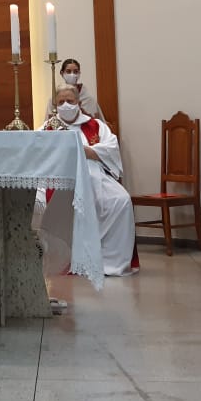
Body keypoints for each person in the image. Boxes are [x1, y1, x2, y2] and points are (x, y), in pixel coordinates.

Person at [40, 84, 136, 276]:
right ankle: (70, 260)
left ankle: (111, 261)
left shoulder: (95, 125)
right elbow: (39, 151)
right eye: (61, 102)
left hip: (95, 173)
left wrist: (86, 151)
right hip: (62, 176)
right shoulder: (48, 127)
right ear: (55, 105)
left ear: (78, 102)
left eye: (70, 101)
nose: (65, 105)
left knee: (122, 201)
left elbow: (111, 148)